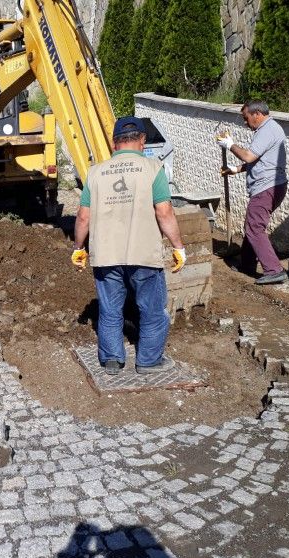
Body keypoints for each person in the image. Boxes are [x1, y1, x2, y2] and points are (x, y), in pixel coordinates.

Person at [72, 117, 186, 376]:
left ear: (114, 144)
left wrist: (79, 247)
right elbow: (164, 212)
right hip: (143, 253)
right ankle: (148, 361)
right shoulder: (153, 169)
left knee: (110, 309)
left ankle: (112, 360)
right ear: (143, 140)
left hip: (106, 255)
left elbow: (83, 217)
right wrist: (178, 246)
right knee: (152, 309)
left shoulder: (95, 173)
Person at [217, 100, 288, 284]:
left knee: (255, 227)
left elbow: (249, 155)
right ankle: (247, 263)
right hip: (272, 185)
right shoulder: (268, 129)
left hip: (267, 187)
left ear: (257, 114)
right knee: (252, 225)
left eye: (246, 118)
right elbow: (258, 160)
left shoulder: (268, 130)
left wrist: (230, 145)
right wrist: (236, 169)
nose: (245, 122)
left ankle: (274, 270)